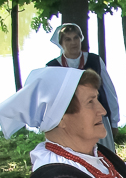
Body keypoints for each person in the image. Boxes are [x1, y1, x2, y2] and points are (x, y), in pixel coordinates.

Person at [46, 22, 119, 153]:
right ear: (61, 43)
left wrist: (114, 122)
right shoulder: (52, 67)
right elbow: (50, 100)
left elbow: (109, 91)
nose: (73, 42)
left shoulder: (95, 60)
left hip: (97, 118)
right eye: (68, 39)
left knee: (104, 155)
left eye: (76, 38)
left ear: (81, 39)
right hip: (70, 122)